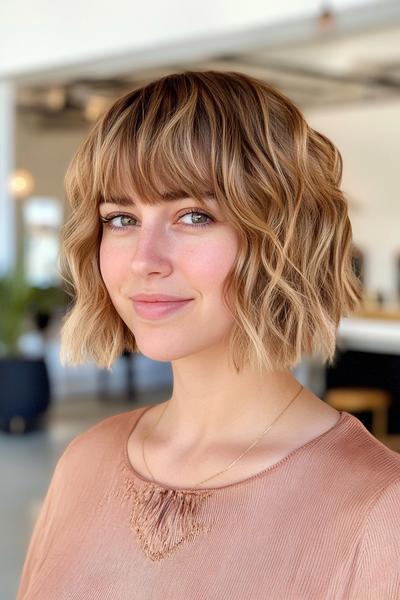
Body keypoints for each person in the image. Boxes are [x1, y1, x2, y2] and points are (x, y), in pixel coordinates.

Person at [17, 70, 400, 599]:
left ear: (284, 237)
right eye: (121, 218)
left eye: (194, 215)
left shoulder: (381, 511)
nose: (144, 261)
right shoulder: (83, 463)